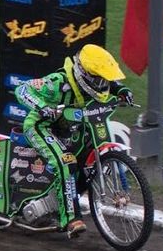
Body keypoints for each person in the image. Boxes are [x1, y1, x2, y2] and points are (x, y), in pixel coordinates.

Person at [15, 44, 133, 237]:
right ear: (84, 75)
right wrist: (43, 107)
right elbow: (23, 89)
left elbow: (109, 84)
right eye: (99, 79)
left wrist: (122, 90)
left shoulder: (96, 82)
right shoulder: (56, 83)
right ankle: (70, 219)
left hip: (71, 129)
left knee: (87, 167)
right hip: (42, 126)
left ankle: (54, 201)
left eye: (104, 79)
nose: (103, 83)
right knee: (66, 162)